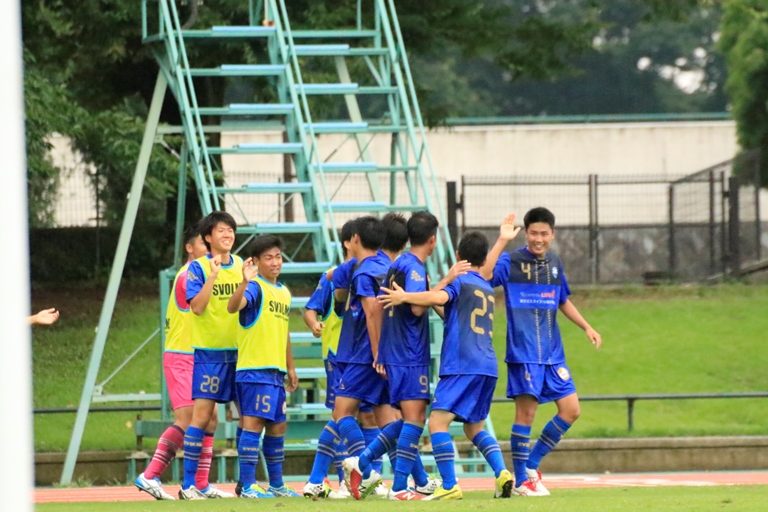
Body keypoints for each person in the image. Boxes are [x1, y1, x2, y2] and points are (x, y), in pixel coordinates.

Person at [378, 217, 520, 501]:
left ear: (458, 256)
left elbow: (440, 299)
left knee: (437, 423)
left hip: (461, 365)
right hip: (487, 366)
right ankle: (502, 472)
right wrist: (503, 240)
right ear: (483, 260)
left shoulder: (460, 282)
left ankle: (449, 484)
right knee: (474, 427)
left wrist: (406, 296)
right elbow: (450, 312)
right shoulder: (485, 287)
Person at [486, 207, 602, 497]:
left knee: (571, 409)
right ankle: (522, 481)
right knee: (526, 414)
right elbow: (484, 275)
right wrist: (502, 240)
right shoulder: (510, 261)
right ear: (526, 233)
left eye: (544, 234)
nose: (539, 239)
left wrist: (586, 326)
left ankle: (530, 467)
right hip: (524, 353)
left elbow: (563, 300)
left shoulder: (555, 263)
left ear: (553, 234)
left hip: (553, 354)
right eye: (534, 233)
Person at [350, 211, 449, 501]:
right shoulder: (414, 268)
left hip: (397, 352)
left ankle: (362, 462)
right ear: (432, 240)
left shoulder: (398, 264)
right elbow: (416, 308)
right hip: (409, 354)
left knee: (407, 420)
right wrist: (445, 283)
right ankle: (399, 487)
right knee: (415, 420)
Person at [134, 225, 210, 500]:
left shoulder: (205, 275)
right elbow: (200, 305)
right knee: (187, 418)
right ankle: (150, 475)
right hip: (181, 356)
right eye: (203, 244)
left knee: (210, 418)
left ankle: (201, 484)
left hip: (200, 355)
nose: (209, 250)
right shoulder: (189, 275)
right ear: (189, 248)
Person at [227, 235, 300, 498]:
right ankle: (248, 485)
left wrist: (290, 367)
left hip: (275, 372)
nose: (275, 262)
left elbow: (284, 331)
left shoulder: (284, 292)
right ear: (256, 262)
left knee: (278, 426)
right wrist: (244, 281)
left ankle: (277, 484)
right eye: (268, 257)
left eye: (278, 256)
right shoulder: (254, 288)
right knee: (253, 424)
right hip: (254, 370)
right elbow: (233, 306)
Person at [179, 211, 243, 500]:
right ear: (208, 237)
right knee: (202, 417)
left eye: (230, 230)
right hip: (210, 354)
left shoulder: (241, 265)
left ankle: (242, 483)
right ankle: (188, 485)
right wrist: (213, 276)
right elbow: (196, 307)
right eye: (221, 231)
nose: (227, 235)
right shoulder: (198, 268)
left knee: (247, 419)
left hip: (240, 354)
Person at [302, 220, 361, 499]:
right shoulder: (332, 277)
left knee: (364, 416)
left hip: (362, 356)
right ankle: (334, 481)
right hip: (338, 356)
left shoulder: (370, 272)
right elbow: (310, 309)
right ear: (349, 243)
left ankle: (351, 480)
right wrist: (314, 324)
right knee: (341, 416)